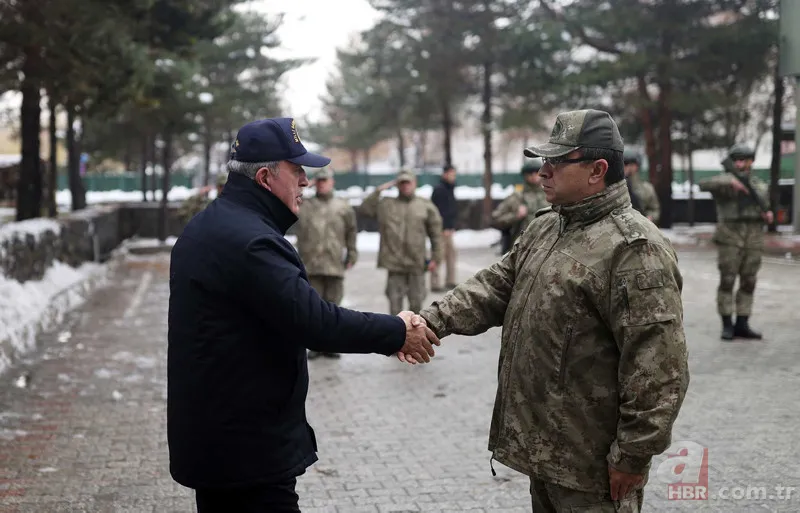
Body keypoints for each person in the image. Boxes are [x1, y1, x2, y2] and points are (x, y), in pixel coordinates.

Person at [414, 109, 690, 513]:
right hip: (545, 452)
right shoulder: (548, 226)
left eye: (557, 162)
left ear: (597, 169)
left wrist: (633, 456)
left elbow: (658, 368)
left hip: (592, 465)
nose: (543, 172)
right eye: (544, 161)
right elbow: (495, 285)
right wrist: (429, 321)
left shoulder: (633, 248)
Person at [167, 117, 441, 513]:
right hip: (246, 452)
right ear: (265, 176)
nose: (306, 182)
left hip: (218, 441)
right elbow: (316, 323)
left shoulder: (212, 225)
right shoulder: (252, 242)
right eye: (296, 172)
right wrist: (397, 331)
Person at [698, 144, 773, 340]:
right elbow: (704, 184)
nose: (740, 163)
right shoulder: (725, 182)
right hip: (730, 235)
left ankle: (742, 322)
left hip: (753, 235)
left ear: (751, 162)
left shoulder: (758, 185)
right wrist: (729, 182)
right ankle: (727, 324)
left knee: (749, 281)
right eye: (736, 160)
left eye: (744, 160)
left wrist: (768, 213)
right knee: (727, 280)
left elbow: (765, 205)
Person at [358, 170, 444, 314]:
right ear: (397, 185)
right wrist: (378, 191)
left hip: (416, 263)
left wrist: (436, 258)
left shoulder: (425, 205)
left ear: (414, 183)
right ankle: (396, 336)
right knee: (395, 307)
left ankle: (415, 335)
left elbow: (436, 233)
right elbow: (364, 209)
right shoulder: (386, 204)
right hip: (394, 264)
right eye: (402, 183)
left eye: (408, 182)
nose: (405, 186)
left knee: (417, 306)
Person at [295, 166, 358, 360]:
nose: (322, 184)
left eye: (325, 181)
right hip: (310, 264)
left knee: (333, 307)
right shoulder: (304, 205)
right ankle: (315, 345)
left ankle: (331, 344)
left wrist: (352, 253)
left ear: (332, 182)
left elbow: (351, 231)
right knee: (313, 308)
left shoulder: (343, 206)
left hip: (333, 264)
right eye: (319, 181)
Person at [490, 158, 548, 253]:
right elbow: (495, 219)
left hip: (547, 247)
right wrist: (515, 216)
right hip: (522, 249)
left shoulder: (551, 195)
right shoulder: (516, 197)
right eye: (530, 173)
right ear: (524, 175)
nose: (534, 175)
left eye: (536, 172)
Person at [430, 164, 458, 292]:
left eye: (454, 174)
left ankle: (450, 280)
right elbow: (438, 212)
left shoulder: (450, 188)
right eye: (451, 174)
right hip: (441, 229)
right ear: (445, 174)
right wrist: (444, 228)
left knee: (451, 254)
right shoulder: (439, 189)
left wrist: (451, 226)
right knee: (438, 255)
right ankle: (435, 283)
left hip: (448, 228)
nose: (453, 176)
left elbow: (451, 209)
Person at [623, 150, 660, 223]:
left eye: (632, 164)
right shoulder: (615, 186)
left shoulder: (647, 188)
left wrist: (650, 217)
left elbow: (654, 209)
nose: (628, 167)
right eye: (625, 164)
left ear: (637, 166)